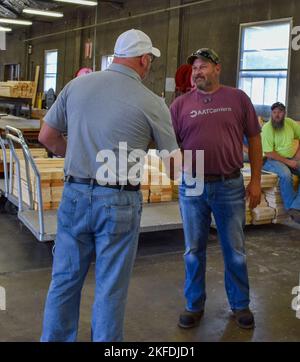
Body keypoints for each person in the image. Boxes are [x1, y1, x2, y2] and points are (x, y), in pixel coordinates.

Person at [38, 29, 179, 342]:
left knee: (64, 281)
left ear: (116, 55)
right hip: (118, 201)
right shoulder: (151, 102)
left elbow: (47, 137)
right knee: (111, 286)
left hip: (74, 194)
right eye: (149, 61)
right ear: (144, 59)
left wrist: (74, 154)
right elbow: (174, 165)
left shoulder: (76, 86)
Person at [170, 48, 262, 330]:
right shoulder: (180, 105)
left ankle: (240, 304)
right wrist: (176, 175)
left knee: (234, 249)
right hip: (193, 183)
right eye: (195, 68)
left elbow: (255, 140)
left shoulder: (237, 98)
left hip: (229, 183)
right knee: (193, 249)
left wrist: (256, 180)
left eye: (203, 66)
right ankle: (193, 304)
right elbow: (170, 145)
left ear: (217, 68)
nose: (197, 72)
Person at [262, 102, 300, 222]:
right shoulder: (267, 128)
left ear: (285, 113)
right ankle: (291, 209)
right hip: (272, 160)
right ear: (271, 113)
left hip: (291, 159)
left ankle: (296, 206)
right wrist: (289, 163)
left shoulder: (290, 123)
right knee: (285, 174)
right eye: (274, 112)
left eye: (280, 112)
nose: (277, 115)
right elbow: (268, 153)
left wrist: (297, 156)